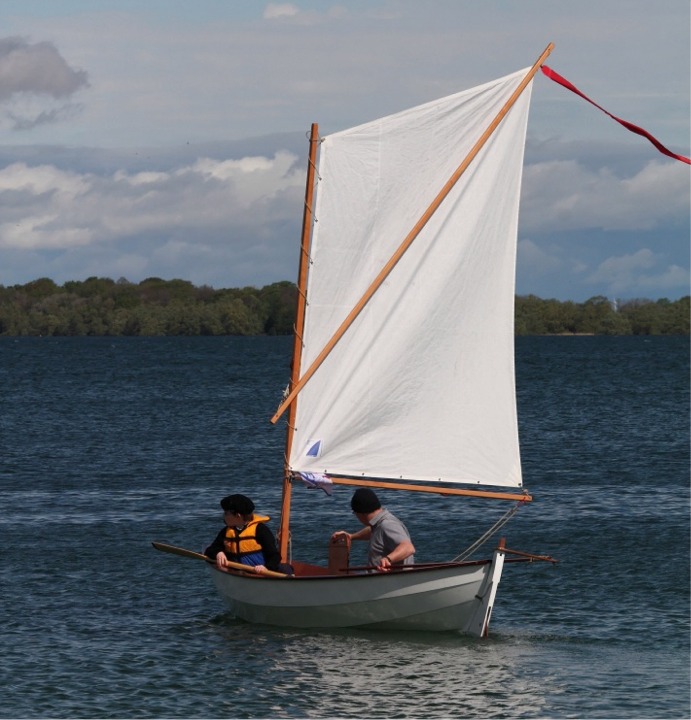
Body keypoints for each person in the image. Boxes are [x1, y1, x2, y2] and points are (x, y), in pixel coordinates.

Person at [204, 493, 292, 575]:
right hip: (238, 572)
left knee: (285, 569)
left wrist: (266, 568)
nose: (224, 516)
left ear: (238, 515)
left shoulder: (260, 530)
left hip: (260, 573)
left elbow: (275, 556)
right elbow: (211, 549)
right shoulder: (226, 531)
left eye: (226, 513)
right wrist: (218, 553)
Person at [331, 488, 415, 572]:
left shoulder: (387, 525)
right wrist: (351, 536)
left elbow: (408, 547)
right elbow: (374, 531)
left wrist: (388, 559)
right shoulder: (379, 524)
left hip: (391, 583)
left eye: (355, 513)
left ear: (361, 513)